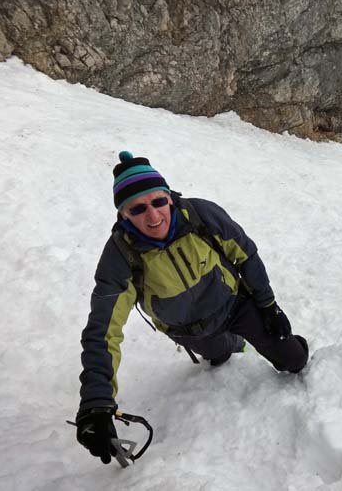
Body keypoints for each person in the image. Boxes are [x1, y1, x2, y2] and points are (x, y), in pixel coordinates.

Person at [76, 151, 308, 464]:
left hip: (235, 305)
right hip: (190, 331)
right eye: (138, 208)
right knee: (220, 356)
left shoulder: (202, 216)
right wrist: (96, 403)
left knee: (294, 359)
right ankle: (231, 345)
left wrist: (269, 307)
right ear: (124, 214)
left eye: (159, 201)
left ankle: (270, 343)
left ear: (169, 197)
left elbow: (246, 255)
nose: (153, 215)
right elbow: (103, 331)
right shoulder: (120, 257)